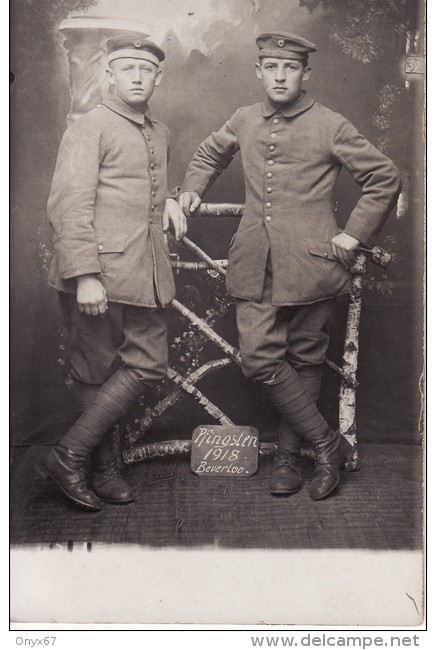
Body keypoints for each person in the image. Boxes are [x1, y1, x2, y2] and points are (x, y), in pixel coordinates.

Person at [179, 31, 401, 500]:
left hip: (314, 268)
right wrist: (192, 189)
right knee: (260, 358)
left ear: (305, 73)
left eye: (290, 68)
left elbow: (384, 177)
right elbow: (208, 153)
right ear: (259, 72)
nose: (280, 76)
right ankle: (327, 444)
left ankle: (287, 457)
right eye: (271, 67)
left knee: (305, 356)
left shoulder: (330, 124)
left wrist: (353, 234)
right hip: (254, 264)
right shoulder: (243, 118)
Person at [35, 35, 187, 511]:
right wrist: (85, 274)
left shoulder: (158, 131)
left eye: (146, 70)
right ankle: (100, 468)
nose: (137, 77)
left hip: (144, 271)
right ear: (110, 75)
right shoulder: (88, 127)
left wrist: (173, 199)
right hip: (97, 271)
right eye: (127, 69)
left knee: (145, 363)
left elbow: (146, 186)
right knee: (93, 369)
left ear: (158, 77)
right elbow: (68, 204)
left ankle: (69, 456)